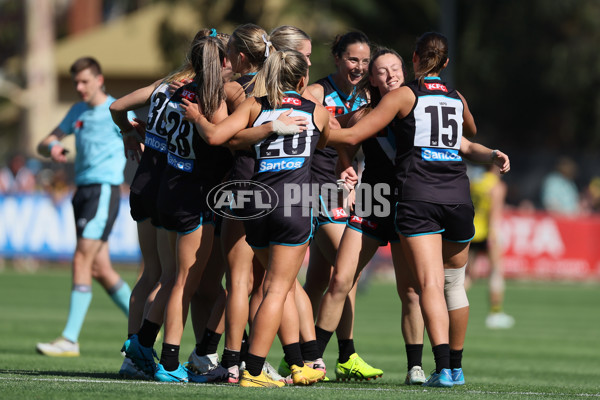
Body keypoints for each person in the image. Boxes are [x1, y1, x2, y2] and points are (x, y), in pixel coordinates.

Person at [328, 32, 510, 388]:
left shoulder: (405, 96)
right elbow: (468, 133)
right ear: (445, 63)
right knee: (454, 284)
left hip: (420, 197)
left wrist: (317, 128)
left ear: (413, 59)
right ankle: (455, 368)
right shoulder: (456, 98)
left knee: (428, 284)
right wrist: (490, 153)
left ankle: (441, 368)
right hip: (458, 197)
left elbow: (353, 136)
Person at [185, 49, 328, 388]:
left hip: (257, 205)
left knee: (276, 287)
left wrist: (200, 119)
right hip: (293, 204)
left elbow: (223, 137)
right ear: (303, 80)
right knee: (277, 289)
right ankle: (253, 370)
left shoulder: (256, 106)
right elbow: (325, 142)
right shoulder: (317, 112)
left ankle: (297, 363)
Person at [110, 29, 221, 379]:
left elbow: (117, 106)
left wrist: (130, 132)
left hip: (152, 181)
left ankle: (135, 352)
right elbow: (216, 137)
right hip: (178, 185)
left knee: (154, 274)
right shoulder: (205, 96)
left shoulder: (168, 85)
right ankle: (162, 356)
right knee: (177, 280)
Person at [314, 47, 426, 383]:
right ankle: (314, 361)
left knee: (409, 291)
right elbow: (337, 134)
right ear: (372, 79)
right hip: (372, 202)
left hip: (408, 205)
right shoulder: (364, 114)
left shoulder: (420, 107)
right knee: (339, 281)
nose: (391, 75)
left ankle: (415, 367)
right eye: (382, 71)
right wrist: (345, 163)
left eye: (395, 68)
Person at [36, 57, 133, 357]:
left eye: (84, 81)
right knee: (101, 269)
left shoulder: (116, 109)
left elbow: (141, 138)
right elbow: (44, 142)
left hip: (104, 190)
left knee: (80, 259)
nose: (79, 87)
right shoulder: (77, 111)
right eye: (76, 82)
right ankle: (145, 326)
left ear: (99, 80)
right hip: (82, 192)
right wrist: (52, 146)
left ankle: (70, 339)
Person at [304, 30, 384, 381]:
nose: (360, 67)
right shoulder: (317, 93)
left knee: (319, 281)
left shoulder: (367, 94)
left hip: (345, 192)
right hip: (314, 189)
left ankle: (300, 353)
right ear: (337, 57)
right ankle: (333, 355)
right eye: (353, 59)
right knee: (346, 272)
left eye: (365, 62)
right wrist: (341, 150)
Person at [468, 164, 515, 329]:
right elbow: (494, 213)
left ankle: (448, 306)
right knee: (496, 271)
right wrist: (494, 236)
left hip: (471, 231)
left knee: (467, 275)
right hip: (488, 233)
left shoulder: (475, 182)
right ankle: (495, 313)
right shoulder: (497, 186)